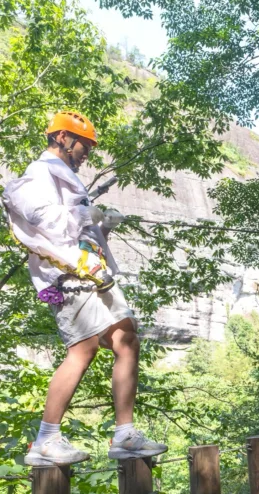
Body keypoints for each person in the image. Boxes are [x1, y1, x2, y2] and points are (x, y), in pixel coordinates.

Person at [2, 111, 165, 467]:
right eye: (84, 145)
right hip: (68, 275)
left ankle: (125, 435)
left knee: (126, 338)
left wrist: (103, 226)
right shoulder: (39, 173)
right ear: (62, 138)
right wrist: (87, 216)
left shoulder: (62, 178)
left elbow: (78, 233)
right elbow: (46, 221)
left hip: (91, 272)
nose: (88, 153)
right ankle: (46, 439)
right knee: (83, 349)